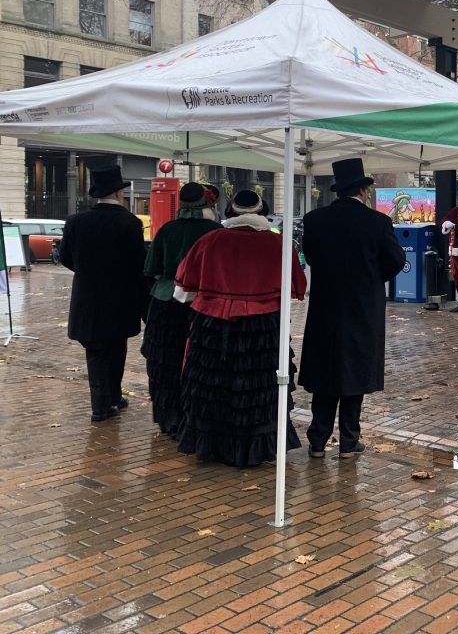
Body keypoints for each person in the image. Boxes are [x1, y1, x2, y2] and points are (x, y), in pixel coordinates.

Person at [173, 189, 306, 466]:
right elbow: (297, 287)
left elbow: (184, 286)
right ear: (261, 211)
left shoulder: (210, 240)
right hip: (262, 326)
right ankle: (254, 448)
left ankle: (214, 445)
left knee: (215, 385)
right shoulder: (279, 244)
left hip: (214, 324)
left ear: (231, 211)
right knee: (257, 387)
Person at [299, 159, 406, 459]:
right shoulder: (377, 222)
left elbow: (312, 257)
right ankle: (349, 440)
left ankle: (317, 440)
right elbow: (396, 260)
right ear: (362, 190)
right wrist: (372, 277)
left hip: (325, 306)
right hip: (362, 307)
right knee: (355, 371)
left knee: (324, 371)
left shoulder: (315, 220)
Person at [60, 165, 147, 422]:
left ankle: (105, 401)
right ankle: (109, 400)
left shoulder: (75, 222)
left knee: (95, 350)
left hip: (87, 299)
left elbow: (65, 257)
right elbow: (139, 263)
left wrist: (87, 272)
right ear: (119, 193)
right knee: (117, 347)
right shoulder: (130, 223)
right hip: (120, 299)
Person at [140, 182, 221, 436]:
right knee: (198, 362)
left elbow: (150, 269)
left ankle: (168, 417)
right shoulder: (214, 232)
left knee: (165, 362)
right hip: (201, 305)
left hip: (165, 302)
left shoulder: (167, 229)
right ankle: (193, 417)